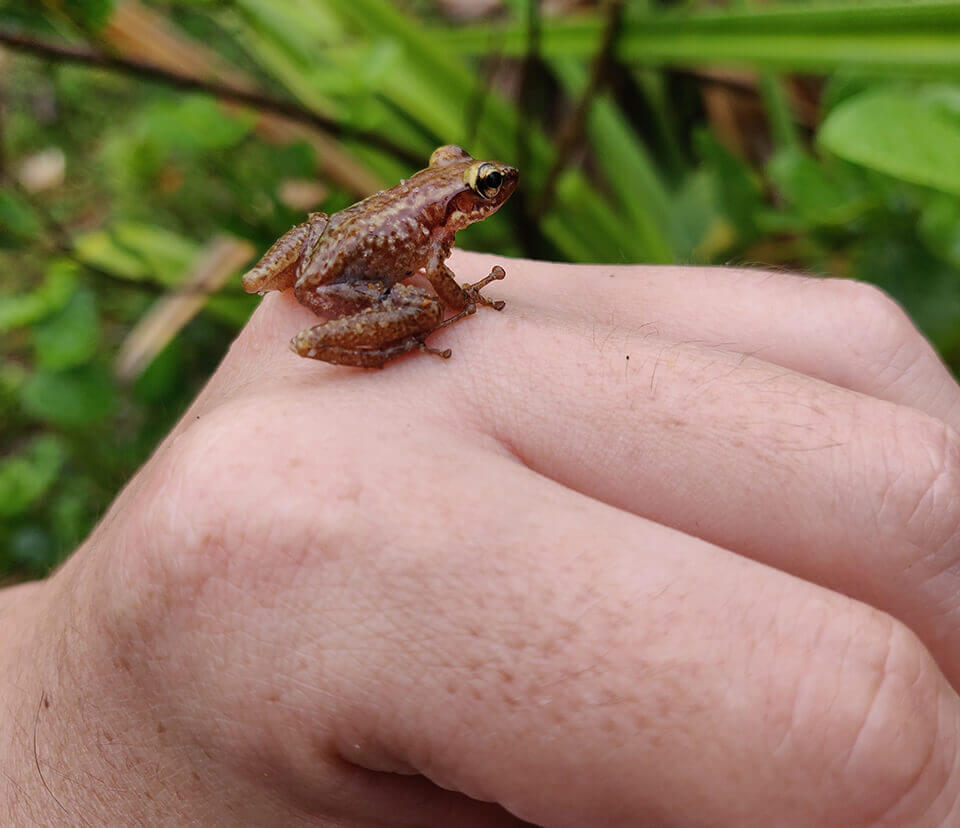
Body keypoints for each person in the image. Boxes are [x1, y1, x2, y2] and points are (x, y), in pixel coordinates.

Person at [2, 251, 959, 826]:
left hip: (323, 261)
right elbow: (433, 281)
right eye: (478, 190)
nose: (489, 196)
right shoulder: (436, 247)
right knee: (433, 302)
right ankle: (400, 335)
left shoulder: (420, 232)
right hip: (358, 288)